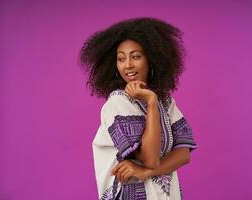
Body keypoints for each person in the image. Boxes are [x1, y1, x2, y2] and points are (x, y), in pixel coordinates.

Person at [78, 17, 198, 200]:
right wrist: (150, 104)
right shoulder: (117, 103)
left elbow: (183, 154)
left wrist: (145, 172)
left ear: (152, 59)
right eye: (121, 58)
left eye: (136, 56)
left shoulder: (165, 102)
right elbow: (150, 158)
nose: (128, 65)